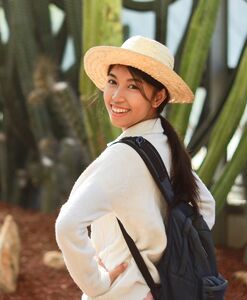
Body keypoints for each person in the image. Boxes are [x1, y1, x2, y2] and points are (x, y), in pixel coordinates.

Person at [55, 35, 216, 300]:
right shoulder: (164, 144)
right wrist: (166, 266)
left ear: (158, 97)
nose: (116, 96)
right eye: (112, 82)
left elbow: (67, 225)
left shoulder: (123, 156)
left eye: (133, 86)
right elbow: (206, 208)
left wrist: (96, 284)